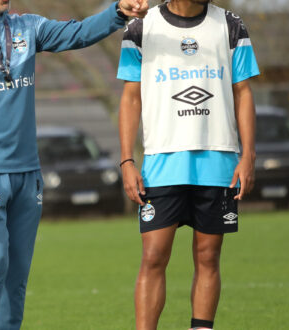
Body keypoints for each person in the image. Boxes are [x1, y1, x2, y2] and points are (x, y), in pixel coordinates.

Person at [0, 0, 149, 328]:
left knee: (16, 276)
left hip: (28, 174)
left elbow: (79, 33)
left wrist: (118, 12)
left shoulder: (28, 27)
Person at [116, 0, 259, 329]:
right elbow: (130, 97)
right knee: (153, 257)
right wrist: (126, 160)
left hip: (218, 159)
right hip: (161, 161)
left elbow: (244, 92)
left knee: (208, 257)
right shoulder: (141, 27)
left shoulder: (231, 25)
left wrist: (248, 155)